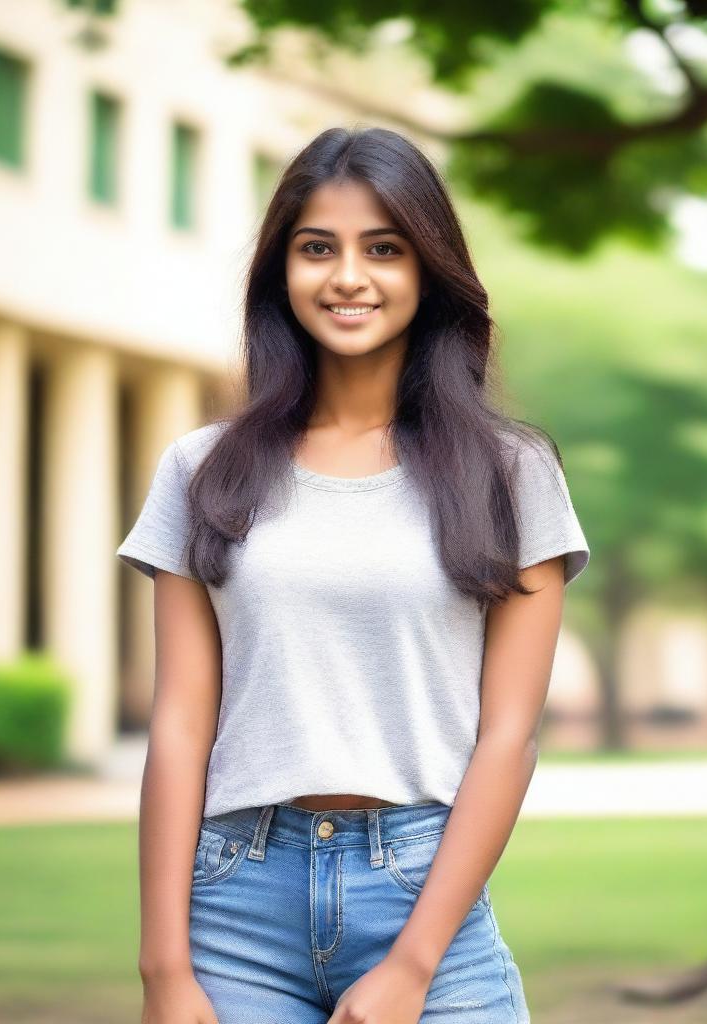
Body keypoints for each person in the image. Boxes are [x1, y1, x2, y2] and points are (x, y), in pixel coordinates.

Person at [116, 125, 590, 1024]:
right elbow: (181, 723)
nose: (347, 277)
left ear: (429, 270)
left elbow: (508, 738)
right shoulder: (202, 468)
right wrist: (164, 972)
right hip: (234, 902)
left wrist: (413, 965)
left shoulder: (511, 472)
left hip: (424, 897)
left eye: (384, 249)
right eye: (316, 249)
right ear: (280, 272)